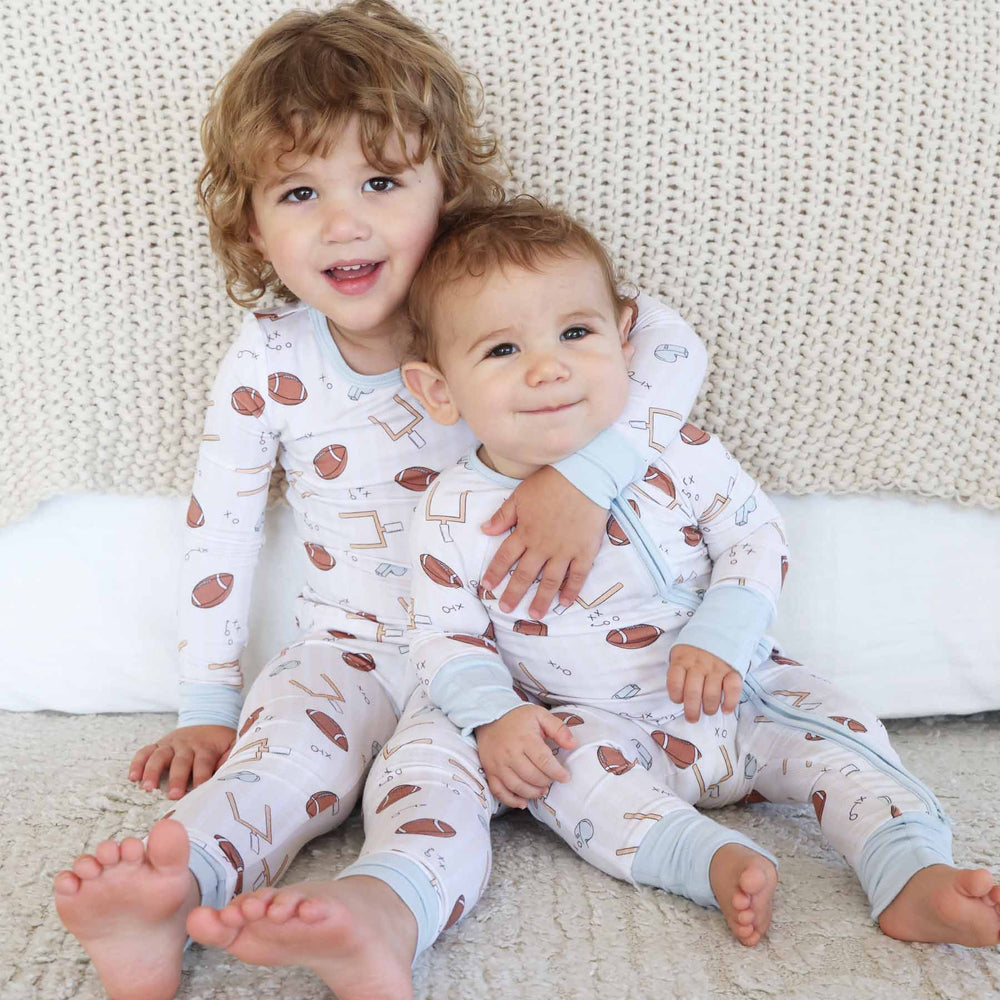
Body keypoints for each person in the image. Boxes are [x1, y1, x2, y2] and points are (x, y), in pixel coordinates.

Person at [51, 4, 708, 999]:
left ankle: (375, 918)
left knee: (428, 798)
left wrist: (586, 475)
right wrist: (207, 704)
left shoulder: (493, 311)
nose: (343, 221)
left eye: (383, 181)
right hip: (346, 644)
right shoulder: (270, 358)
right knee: (277, 763)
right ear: (252, 223)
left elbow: (665, 343)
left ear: (447, 189)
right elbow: (218, 526)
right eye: (301, 190)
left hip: (498, 660)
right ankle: (167, 890)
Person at [399, 195, 1000, 950]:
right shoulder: (452, 512)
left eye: (575, 333)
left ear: (624, 337)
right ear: (438, 390)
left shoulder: (674, 449)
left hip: (739, 690)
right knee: (562, 776)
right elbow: (443, 636)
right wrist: (495, 714)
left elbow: (755, 535)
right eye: (502, 351)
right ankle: (707, 861)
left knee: (845, 733)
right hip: (596, 721)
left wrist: (724, 632)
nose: (549, 367)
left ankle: (911, 873)